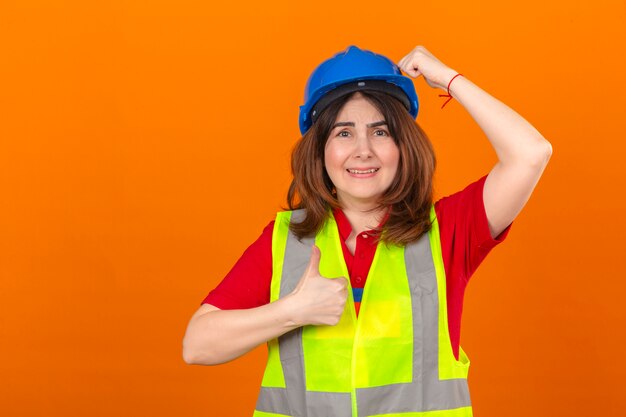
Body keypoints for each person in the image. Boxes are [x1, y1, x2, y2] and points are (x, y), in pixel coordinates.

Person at [182, 45, 552, 416]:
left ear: (403, 147)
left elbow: (531, 153)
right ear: (320, 151)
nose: (363, 151)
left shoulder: (449, 231)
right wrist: (291, 311)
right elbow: (197, 346)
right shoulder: (286, 239)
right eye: (343, 134)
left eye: (380, 132)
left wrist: (448, 80)